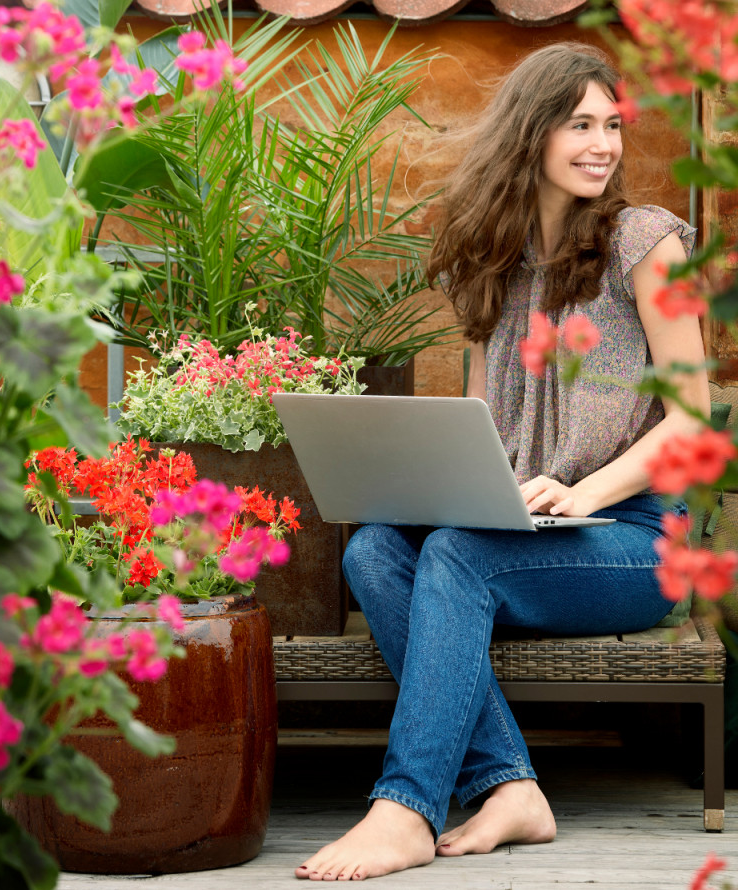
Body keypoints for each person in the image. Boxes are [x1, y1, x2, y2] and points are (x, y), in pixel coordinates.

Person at [294, 42, 710, 882]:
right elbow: (485, 425)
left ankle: (405, 808)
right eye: (580, 124)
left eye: (612, 126)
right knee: (374, 547)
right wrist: (460, 484)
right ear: (530, 135)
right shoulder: (493, 260)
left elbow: (696, 422)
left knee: (457, 555)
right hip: (528, 527)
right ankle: (511, 787)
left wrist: (576, 492)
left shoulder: (646, 243)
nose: (604, 145)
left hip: (635, 538)